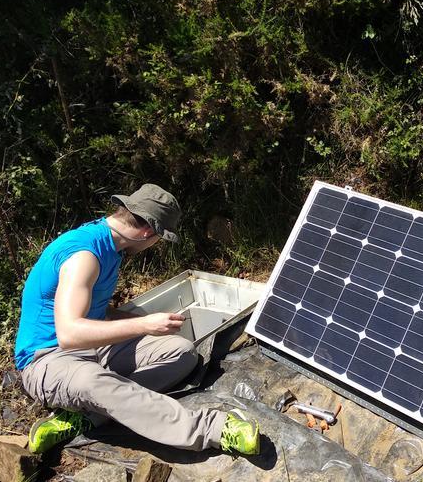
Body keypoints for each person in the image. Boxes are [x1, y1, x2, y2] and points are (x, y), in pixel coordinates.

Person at [14, 184, 260, 455]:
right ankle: (213, 429)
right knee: (93, 382)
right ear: (147, 231)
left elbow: (96, 310)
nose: (155, 245)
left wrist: (137, 318)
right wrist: (143, 325)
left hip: (92, 349)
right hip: (48, 359)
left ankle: (88, 416)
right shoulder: (83, 257)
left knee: (182, 352)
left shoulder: (111, 247)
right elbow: (69, 333)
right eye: (159, 238)